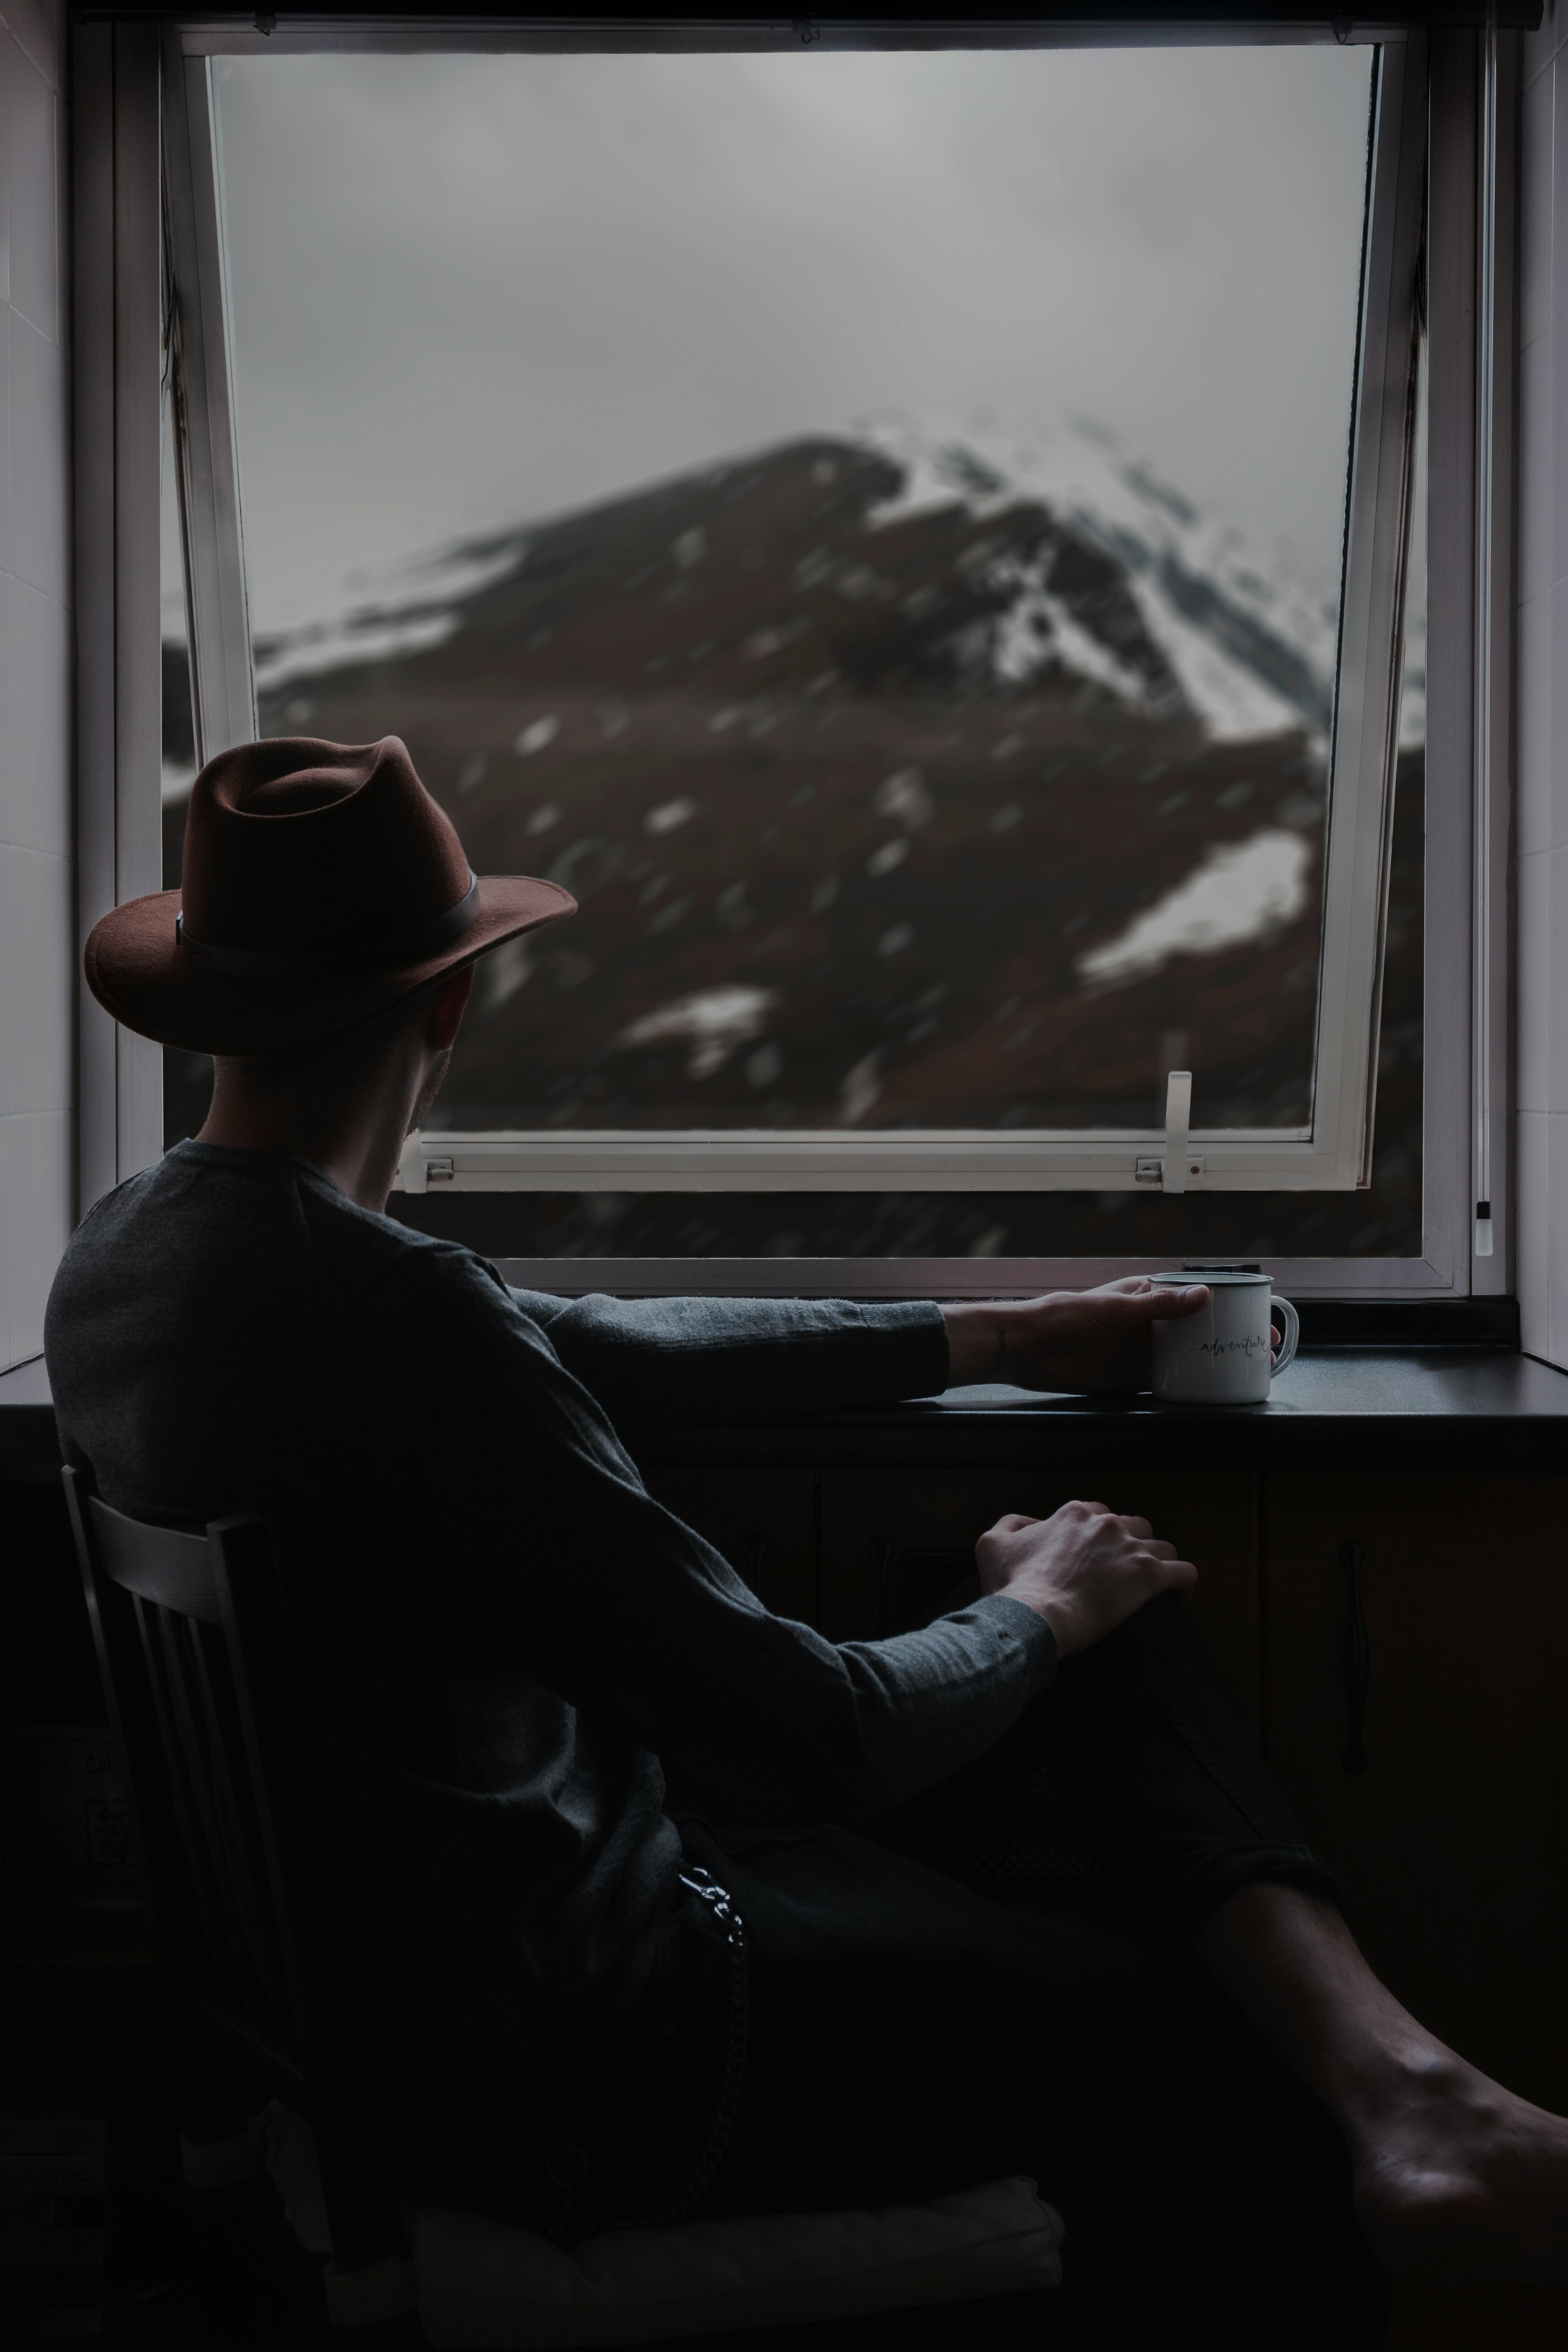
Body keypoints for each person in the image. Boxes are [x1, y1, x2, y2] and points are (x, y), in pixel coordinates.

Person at [46, 736, 1568, 2344]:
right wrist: (1047, 1610)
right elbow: (809, 1737)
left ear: (209, 1014)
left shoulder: (135, 1256)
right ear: (450, 1008)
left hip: (432, 2011)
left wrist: (1012, 1337)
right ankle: (1379, 2106)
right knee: (1196, 2032)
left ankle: (1406, 2084)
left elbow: (595, 1342)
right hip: (601, 2060)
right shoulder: (394, 1318)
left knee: (1013, 1596)